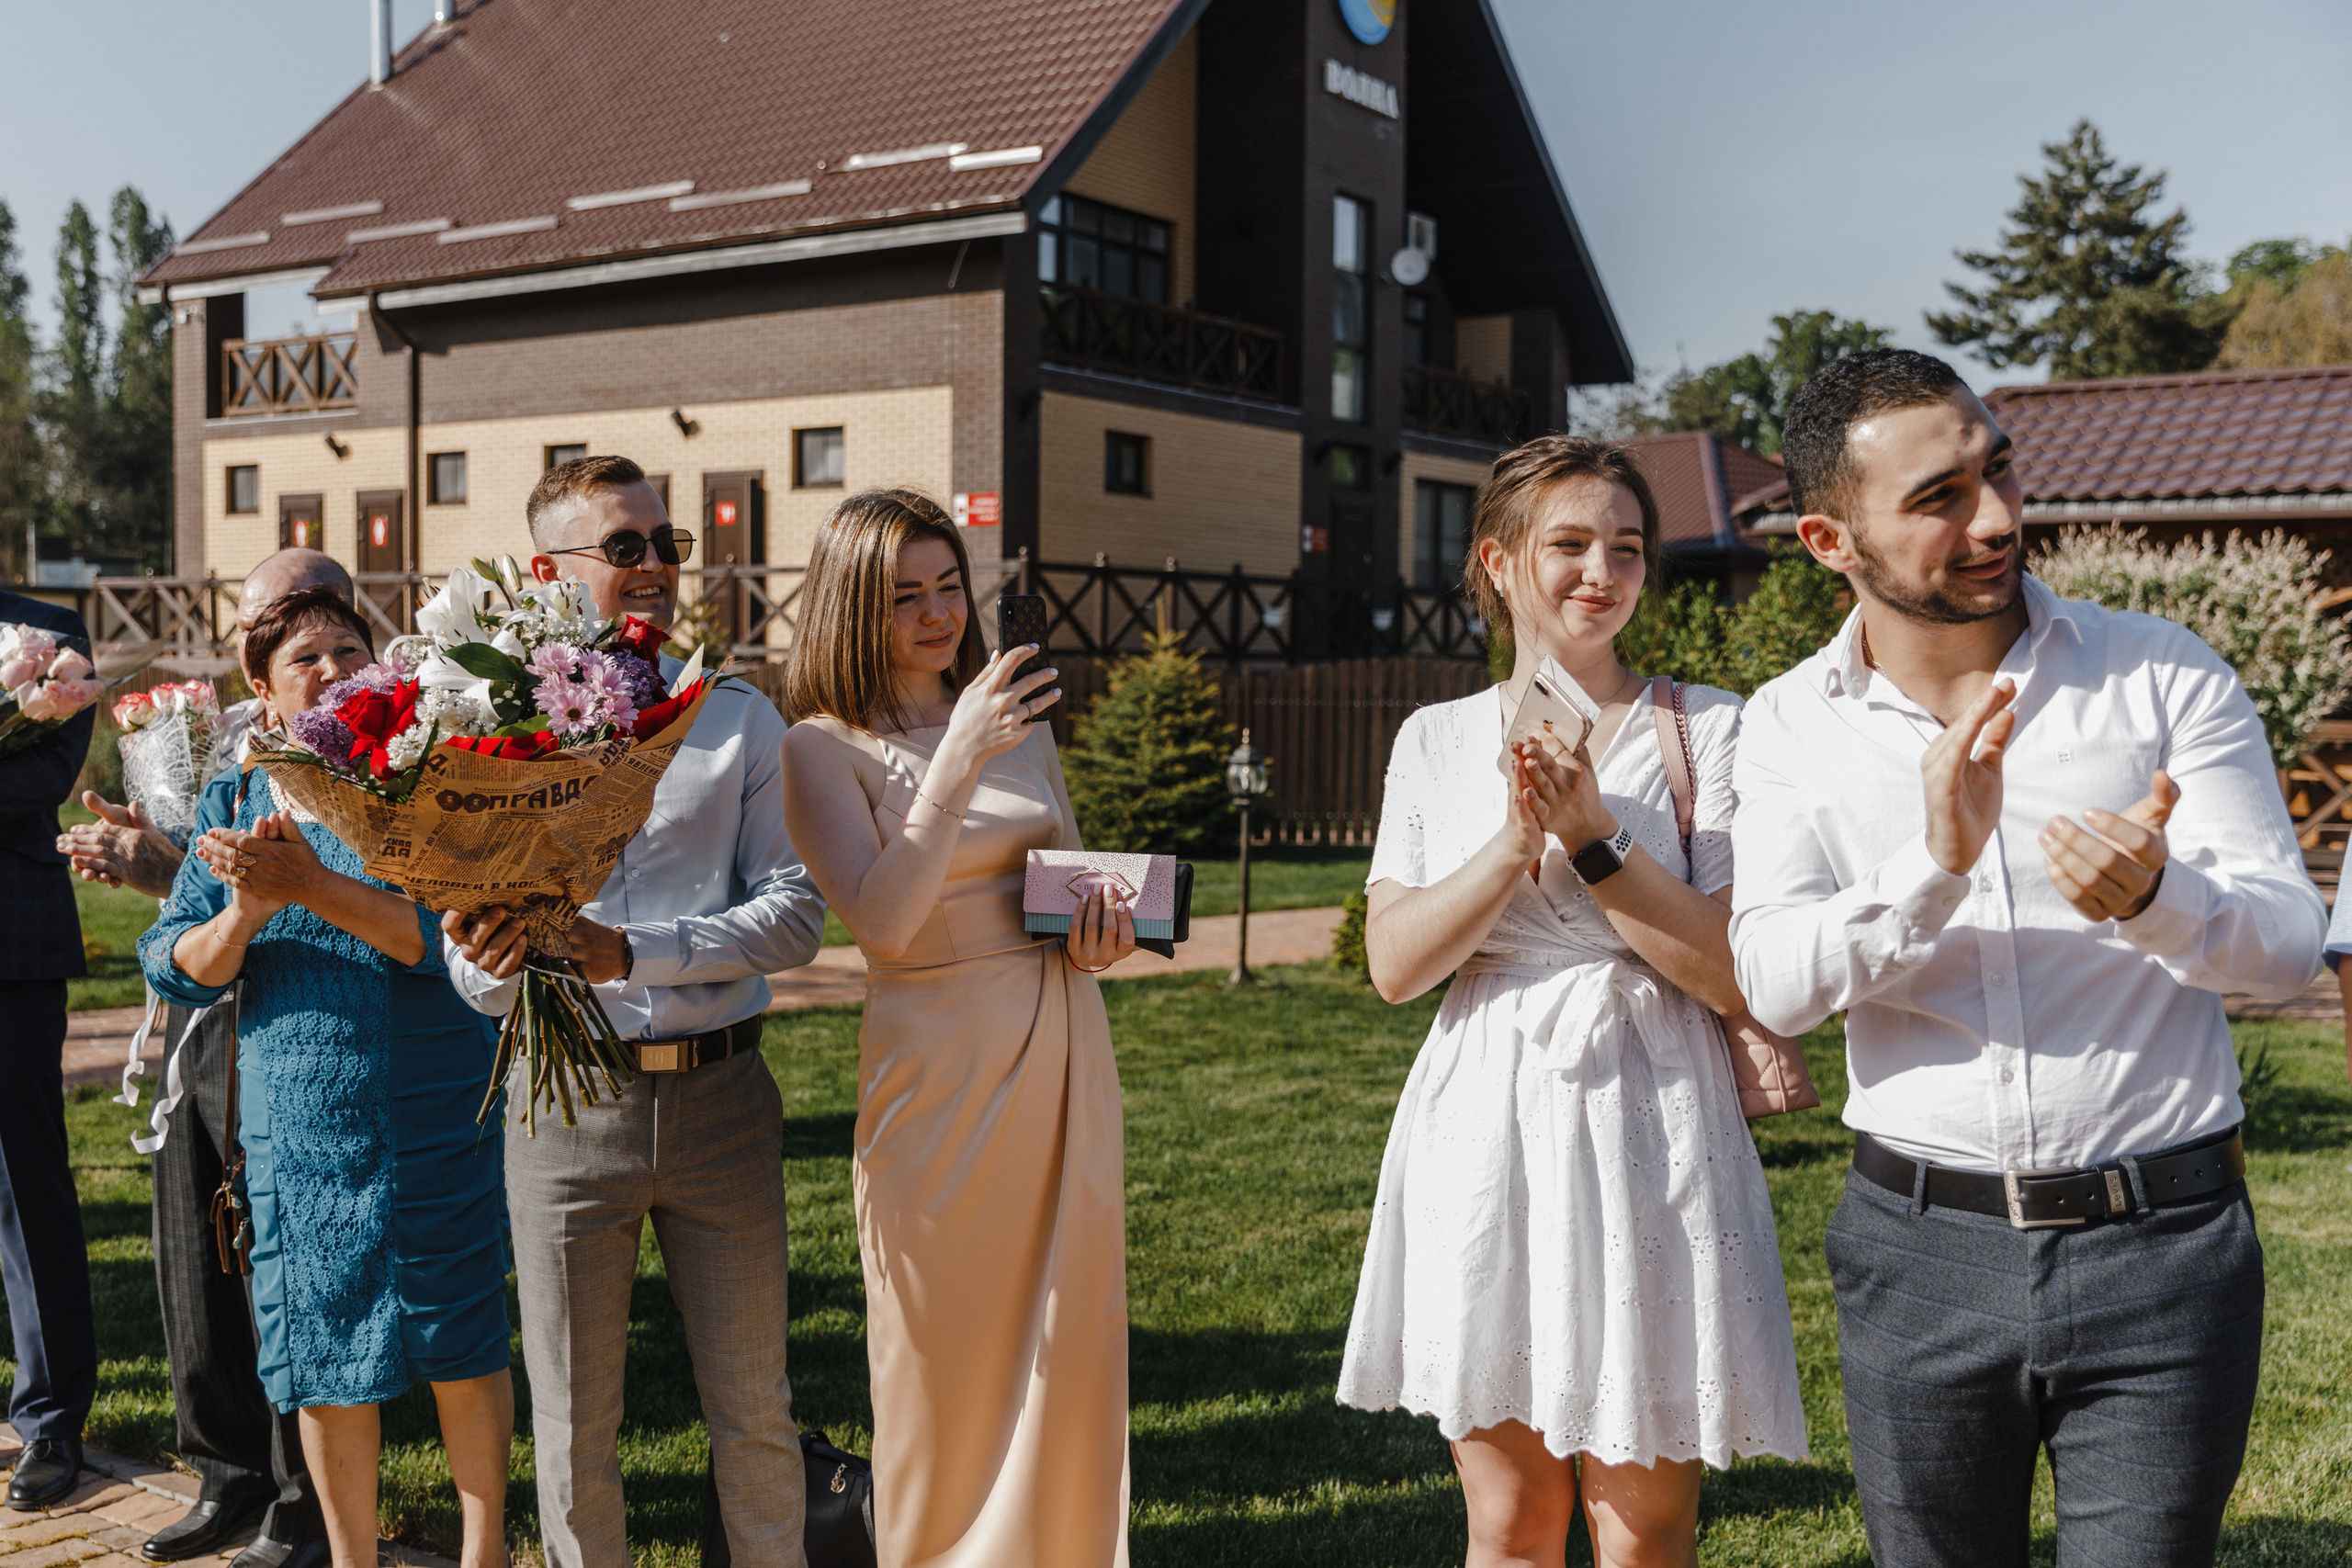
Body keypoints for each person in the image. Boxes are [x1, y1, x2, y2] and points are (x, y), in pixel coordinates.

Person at [1731, 348, 2324, 1567]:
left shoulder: (2160, 672)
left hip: (2164, 1242)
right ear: (1829, 540)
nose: (1998, 517)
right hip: (1917, 1250)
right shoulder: (1789, 723)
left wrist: (2160, 898)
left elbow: (2285, 945)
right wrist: (1932, 865)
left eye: (1997, 471)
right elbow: (1776, 980)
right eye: (1939, 498)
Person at [1337, 437, 1806, 1568]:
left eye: (1627, 548)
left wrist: (1594, 837)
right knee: (1508, 1524)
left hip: (1654, 1110)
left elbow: (1732, 972)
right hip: (1485, 1120)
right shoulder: (1434, 739)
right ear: (1498, 562)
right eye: (1570, 545)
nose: (1603, 572)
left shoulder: (1707, 726)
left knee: (1641, 1530)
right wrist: (1513, 839)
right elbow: (1394, 966)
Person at [440, 456, 823, 1568]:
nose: (656, 564)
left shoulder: (737, 719)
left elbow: (797, 916)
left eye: (667, 544)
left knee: (755, 1411)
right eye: (625, 546)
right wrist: (493, 961)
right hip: (564, 1113)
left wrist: (636, 953)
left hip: (724, 1102)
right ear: (546, 572)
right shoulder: (485, 731)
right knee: (571, 1426)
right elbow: (471, 971)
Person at [778, 489, 1134, 1567]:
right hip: (934, 1072)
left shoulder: (1021, 724)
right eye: (904, 597)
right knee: (938, 1356)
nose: (937, 615)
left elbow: (1062, 877)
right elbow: (883, 922)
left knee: (1066, 1343)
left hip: (1058, 1043)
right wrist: (957, 755)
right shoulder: (818, 748)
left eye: (948, 587)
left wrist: (1099, 935)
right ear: (851, 608)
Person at [138, 586, 514, 1568]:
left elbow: (442, 939)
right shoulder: (233, 803)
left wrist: (307, 884)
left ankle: (484, 1553)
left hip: (430, 1101)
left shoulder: (426, 781)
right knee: (321, 1347)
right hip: (297, 1122)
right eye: (305, 657)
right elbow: (171, 960)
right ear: (261, 691)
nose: (335, 668)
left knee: (460, 1330)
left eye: (350, 649)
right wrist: (246, 913)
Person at [60, 548, 348, 1568]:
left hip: (306, 1022)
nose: (288, 633)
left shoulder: (362, 747)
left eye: (314, 613)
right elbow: (200, 896)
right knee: (196, 1244)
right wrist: (150, 860)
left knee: (282, 1260)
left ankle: (302, 1496)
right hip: (203, 1016)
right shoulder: (213, 745)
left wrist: (169, 869)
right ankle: (223, 1471)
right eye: (266, 618)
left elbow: (321, 895)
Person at [0, 588, 100, 1511]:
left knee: (25, 1182)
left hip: (11, 937)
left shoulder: (52, 633)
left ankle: (51, 1416)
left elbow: (46, 776)